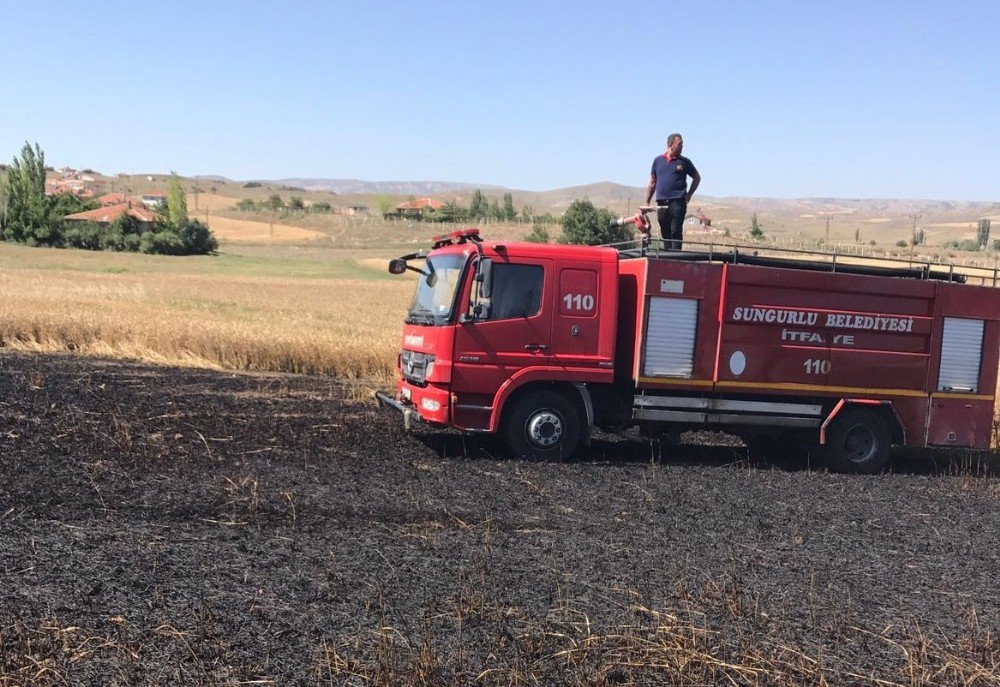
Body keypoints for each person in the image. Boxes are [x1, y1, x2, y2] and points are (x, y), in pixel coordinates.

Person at [645, 133, 700, 250]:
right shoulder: (658, 161)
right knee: (665, 231)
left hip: (677, 202)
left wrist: (689, 194)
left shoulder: (684, 162)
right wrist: (647, 202)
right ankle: (666, 255)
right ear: (671, 144)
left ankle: (675, 257)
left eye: (682, 144)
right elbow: (653, 182)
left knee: (675, 231)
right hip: (661, 203)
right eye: (679, 144)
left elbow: (696, 177)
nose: (682, 146)